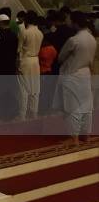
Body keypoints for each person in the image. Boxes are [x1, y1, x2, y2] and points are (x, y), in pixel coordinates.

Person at [53, 11, 96, 144]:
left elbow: (60, 58)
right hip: (86, 73)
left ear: (76, 23)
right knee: (87, 107)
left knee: (73, 107)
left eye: (70, 20)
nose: (69, 22)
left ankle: (74, 138)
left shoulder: (74, 40)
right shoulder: (91, 38)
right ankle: (86, 136)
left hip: (73, 74)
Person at [16, 11, 43, 121]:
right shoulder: (40, 33)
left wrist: (17, 64)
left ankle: (22, 115)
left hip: (25, 60)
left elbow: (19, 49)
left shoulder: (24, 32)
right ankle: (34, 113)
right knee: (35, 88)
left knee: (23, 89)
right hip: (35, 60)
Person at [0, 14, 19, 121]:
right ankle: (11, 113)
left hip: (0, 66)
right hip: (11, 66)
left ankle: (0, 113)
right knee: (10, 91)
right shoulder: (14, 35)